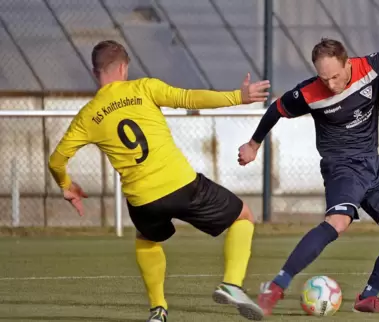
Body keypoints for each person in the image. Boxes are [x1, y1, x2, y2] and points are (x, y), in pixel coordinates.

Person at [237, 24, 379, 315]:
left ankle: (368, 296)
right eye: (324, 78)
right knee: (338, 222)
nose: (331, 84)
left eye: (335, 76)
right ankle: (276, 286)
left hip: (372, 167)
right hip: (341, 167)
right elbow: (275, 109)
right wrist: (253, 144)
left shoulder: (372, 67)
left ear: (348, 63)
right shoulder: (309, 92)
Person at [48, 40, 271, 322]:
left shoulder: (88, 115)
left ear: (95, 73)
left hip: (142, 201)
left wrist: (66, 186)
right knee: (242, 216)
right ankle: (232, 284)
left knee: (147, 238)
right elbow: (190, 98)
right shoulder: (144, 88)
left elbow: (55, 160)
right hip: (181, 184)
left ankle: (158, 310)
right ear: (123, 68)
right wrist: (238, 97)